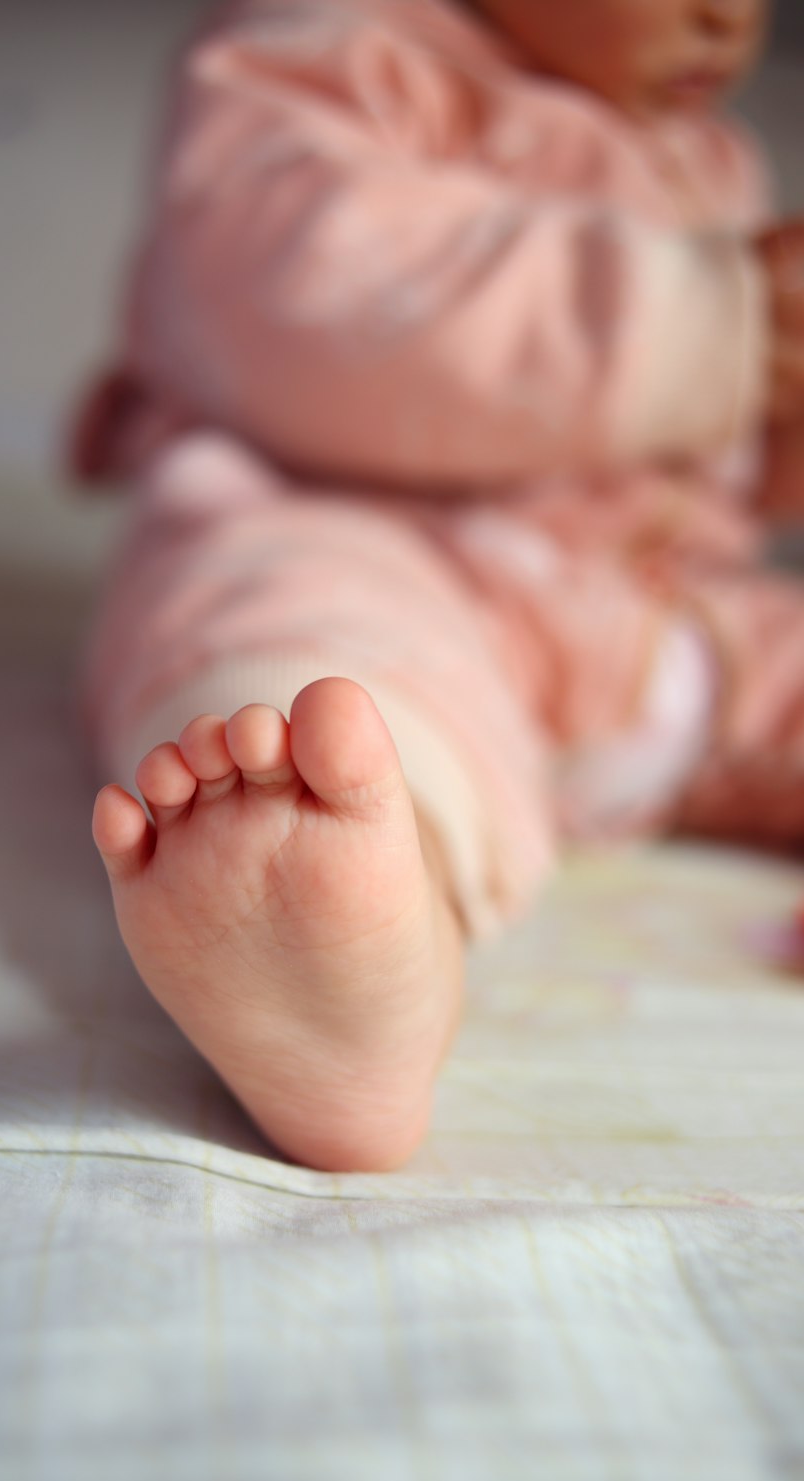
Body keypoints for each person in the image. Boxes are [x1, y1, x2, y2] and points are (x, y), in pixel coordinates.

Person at [71, 0, 804, 1173]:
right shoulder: (330, 54)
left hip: (645, 608)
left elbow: (708, 476)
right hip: (375, 540)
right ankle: (355, 948)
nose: (725, 18)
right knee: (312, 668)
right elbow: (297, 296)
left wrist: (775, 421)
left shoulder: (708, 158)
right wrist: (710, 321)